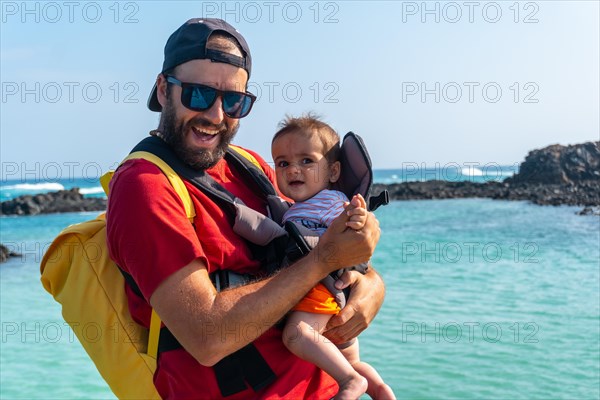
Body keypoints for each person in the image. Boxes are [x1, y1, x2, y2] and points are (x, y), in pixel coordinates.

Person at [106, 18, 385, 399]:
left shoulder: (250, 164)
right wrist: (324, 261)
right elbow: (206, 337)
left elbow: (316, 241)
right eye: (198, 95)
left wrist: (370, 289)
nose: (217, 116)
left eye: (234, 101)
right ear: (163, 89)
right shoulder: (145, 187)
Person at [272, 114, 396, 400]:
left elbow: (354, 230)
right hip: (333, 293)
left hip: (322, 289)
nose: (293, 170)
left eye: (306, 161)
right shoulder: (296, 207)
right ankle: (380, 389)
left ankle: (350, 383)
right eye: (283, 163)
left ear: (333, 171)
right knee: (349, 358)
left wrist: (357, 217)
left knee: (296, 335)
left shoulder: (330, 201)